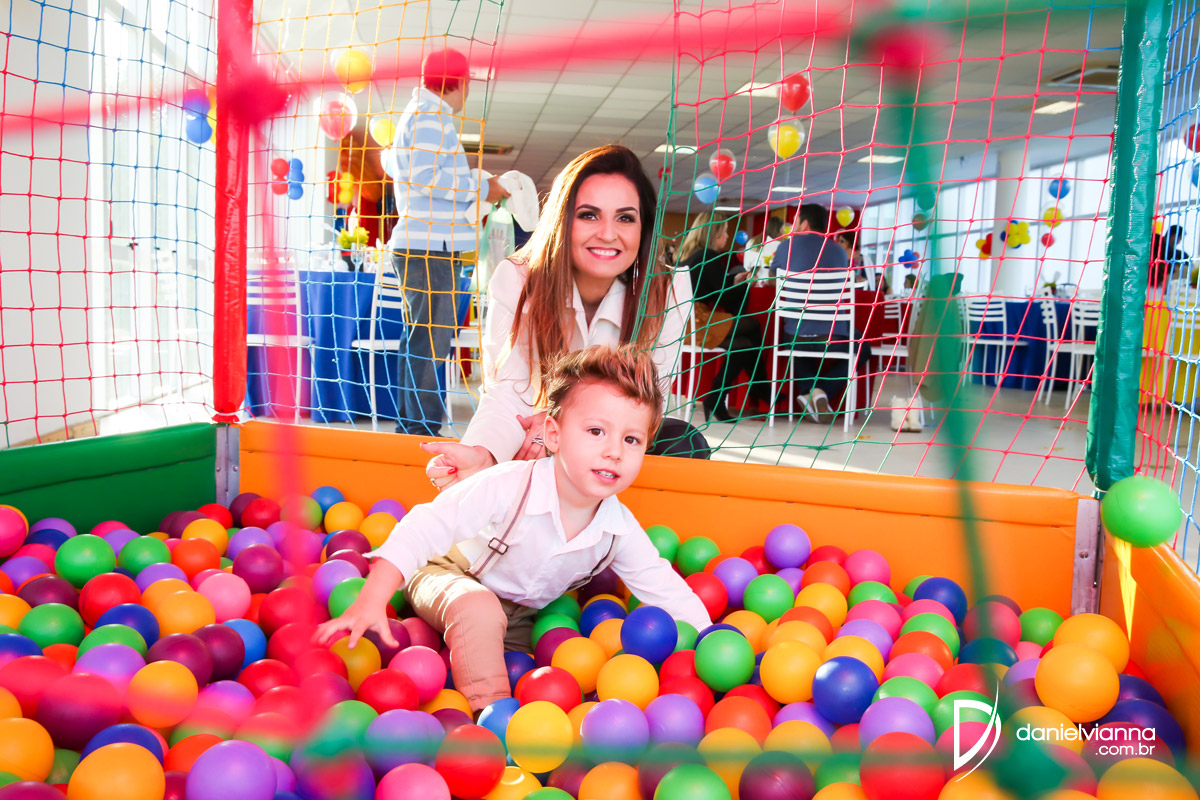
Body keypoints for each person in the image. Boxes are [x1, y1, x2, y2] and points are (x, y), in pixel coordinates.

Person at [315, 345, 713, 711]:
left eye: (632, 440)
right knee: (479, 610)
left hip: (520, 616)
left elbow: (666, 589)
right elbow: (426, 525)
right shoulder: (509, 485)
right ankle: (490, 721)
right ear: (553, 435)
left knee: (530, 672)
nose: (614, 451)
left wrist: (711, 644)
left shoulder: (618, 529)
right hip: (447, 572)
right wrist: (374, 595)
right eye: (596, 431)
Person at [423, 144, 710, 492]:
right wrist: (484, 454)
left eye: (625, 218)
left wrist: (561, 421)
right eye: (589, 215)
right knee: (516, 446)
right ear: (563, 220)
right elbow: (507, 390)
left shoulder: (668, 289)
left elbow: (646, 402)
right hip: (536, 438)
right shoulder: (518, 278)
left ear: (643, 228)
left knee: (684, 442)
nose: (608, 233)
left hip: (613, 441)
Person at [380, 47, 509, 436]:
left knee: (421, 341)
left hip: (425, 245)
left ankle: (414, 426)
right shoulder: (430, 118)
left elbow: (408, 170)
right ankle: (420, 429)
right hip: (428, 248)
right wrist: (482, 187)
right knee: (428, 343)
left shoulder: (422, 115)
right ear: (460, 81)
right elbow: (425, 177)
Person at [773, 204, 873, 421]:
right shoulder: (839, 251)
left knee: (796, 341)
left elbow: (773, 280)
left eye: (796, 221)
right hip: (832, 337)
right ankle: (822, 391)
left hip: (795, 336)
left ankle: (814, 391)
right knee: (863, 347)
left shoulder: (785, 246)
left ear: (805, 223)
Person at [678, 211, 773, 422]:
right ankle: (759, 388)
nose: (728, 237)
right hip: (697, 321)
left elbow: (713, 286)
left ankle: (718, 399)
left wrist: (732, 280)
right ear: (714, 233)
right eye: (725, 232)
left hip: (683, 321)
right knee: (753, 326)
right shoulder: (709, 256)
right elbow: (725, 297)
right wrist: (744, 283)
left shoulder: (689, 255)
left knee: (744, 345)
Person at [744, 216, 785, 280]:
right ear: (780, 230)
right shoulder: (781, 246)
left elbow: (746, 266)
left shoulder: (751, 241)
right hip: (771, 282)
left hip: (752, 280)